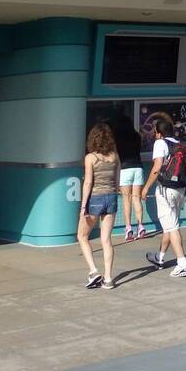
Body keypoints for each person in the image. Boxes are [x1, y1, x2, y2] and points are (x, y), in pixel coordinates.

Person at [142, 124, 186, 277]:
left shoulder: (160, 143)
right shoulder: (184, 146)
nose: (155, 135)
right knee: (170, 224)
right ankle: (160, 258)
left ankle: (182, 264)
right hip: (181, 190)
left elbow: (157, 167)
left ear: (160, 133)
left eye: (155, 132)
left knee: (172, 227)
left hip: (165, 190)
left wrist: (146, 187)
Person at [76, 122, 121, 289]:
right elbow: (117, 179)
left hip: (95, 198)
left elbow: (88, 183)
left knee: (82, 236)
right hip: (112, 197)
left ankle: (94, 271)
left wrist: (83, 207)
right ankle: (108, 279)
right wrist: (114, 190)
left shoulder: (90, 158)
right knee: (106, 240)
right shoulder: (114, 156)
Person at [114, 113, 147, 241]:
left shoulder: (117, 138)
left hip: (124, 169)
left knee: (126, 200)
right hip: (138, 167)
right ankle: (140, 226)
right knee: (136, 199)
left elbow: (117, 158)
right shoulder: (136, 136)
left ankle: (128, 228)